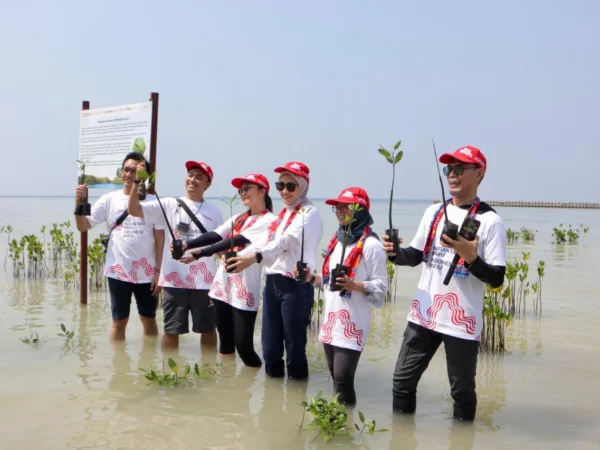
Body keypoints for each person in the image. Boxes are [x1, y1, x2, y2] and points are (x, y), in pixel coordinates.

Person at [384, 145, 506, 421]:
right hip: (424, 313)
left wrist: (471, 258)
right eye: (449, 169)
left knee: (461, 392)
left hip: (461, 321)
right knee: (402, 383)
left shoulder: (489, 221)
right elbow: (415, 255)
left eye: (460, 169)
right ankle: (402, 439)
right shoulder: (433, 212)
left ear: (480, 173)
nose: (452, 174)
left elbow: (497, 278)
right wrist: (394, 254)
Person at [227, 162, 323, 379]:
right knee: (270, 349)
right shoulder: (282, 215)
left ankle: (296, 403)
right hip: (272, 284)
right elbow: (266, 241)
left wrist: (254, 257)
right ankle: (273, 404)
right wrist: (239, 254)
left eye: (291, 186)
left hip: (296, 287)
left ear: (303, 186)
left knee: (294, 349)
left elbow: (286, 241)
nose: (284, 191)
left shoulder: (309, 213)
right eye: (280, 185)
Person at [298, 187, 388, 405]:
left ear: (359, 210)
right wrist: (311, 278)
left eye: (344, 206)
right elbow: (329, 280)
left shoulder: (372, 245)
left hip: (352, 322)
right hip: (331, 321)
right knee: (335, 378)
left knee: (342, 380)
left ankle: (345, 433)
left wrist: (353, 284)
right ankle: (337, 424)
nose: (338, 210)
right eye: (336, 207)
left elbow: (381, 287)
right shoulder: (337, 241)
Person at [177, 174, 275, 367]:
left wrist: (200, 253)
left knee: (244, 347)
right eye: (241, 190)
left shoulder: (270, 220)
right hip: (222, 286)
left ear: (263, 191)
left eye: (248, 188)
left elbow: (237, 240)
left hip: (245, 289)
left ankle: (253, 387)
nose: (243, 193)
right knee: (225, 343)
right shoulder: (239, 218)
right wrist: (188, 244)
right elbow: (215, 235)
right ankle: (227, 385)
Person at [128, 160, 223, 350]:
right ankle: (170, 373)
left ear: (208, 184)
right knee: (171, 330)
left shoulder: (215, 212)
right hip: (174, 281)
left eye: (199, 177)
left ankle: (209, 372)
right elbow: (134, 210)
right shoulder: (170, 204)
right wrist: (137, 182)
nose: (193, 180)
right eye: (190, 175)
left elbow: (220, 245)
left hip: (204, 282)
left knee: (209, 329)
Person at [74, 152, 165, 340]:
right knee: (118, 322)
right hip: (118, 272)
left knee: (148, 319)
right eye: (126, 170)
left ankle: (148, 363)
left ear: (144, 175)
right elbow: (83, 226)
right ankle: (118, 368)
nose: (129, 174)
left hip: (147, 274)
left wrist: (159, 271)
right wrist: (78, 203)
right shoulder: (109, 199)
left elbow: (160, 237)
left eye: (135, 170)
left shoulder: (153, 202)